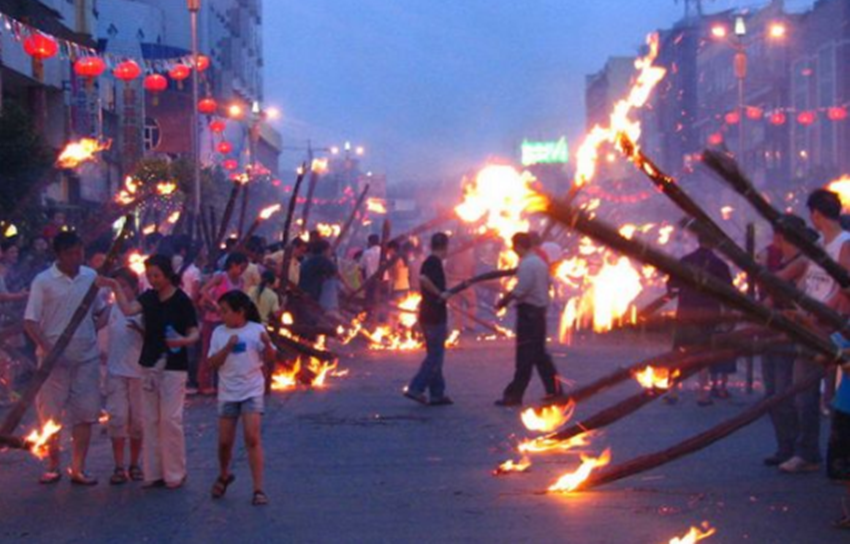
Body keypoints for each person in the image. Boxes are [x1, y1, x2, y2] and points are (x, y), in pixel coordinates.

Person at [99, 255, 199, 489]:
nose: (154, 281)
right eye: (150, 276)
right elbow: (128, 309)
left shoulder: (181, 300)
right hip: (149, 364)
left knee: (170, 419)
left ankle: (175, 472)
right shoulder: (149, 298)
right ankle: (154, 472)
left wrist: (183, 341)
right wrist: (114, 286)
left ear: (166, 274)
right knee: (151, 419)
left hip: (174, 366)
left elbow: (194, 331)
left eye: (157, 276)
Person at [24, 231, 106, 485]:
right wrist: (50, 351)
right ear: (58, 255)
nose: (76, 257)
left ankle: (78, 468)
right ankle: (52, 465)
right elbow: (30, 322)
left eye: (79, 252)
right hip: (52, 363)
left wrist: (94, 333)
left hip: (86, 359)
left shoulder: (91, 277)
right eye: (71, 253)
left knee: (84, 414)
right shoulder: (43, 281)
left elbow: (101, 312)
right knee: (51, 415)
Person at [780, 189, 850, 474]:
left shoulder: (845, 244)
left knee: (833, 396)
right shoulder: (821, 243)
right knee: (804, 393)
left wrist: (821, 316)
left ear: (816, 214)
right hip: (810, 324)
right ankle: (808, 451)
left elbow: (845, 289)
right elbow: (803, 274)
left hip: (831, 328)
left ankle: (824, 454)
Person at [207, 290, 274, 505]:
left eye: (225, 311)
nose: (222, 316)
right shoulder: (219, 333)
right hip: (227, 392)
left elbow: (271, 357)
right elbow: (212, 363)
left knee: (252, 438)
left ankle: (258, 488)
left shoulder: (256, 330)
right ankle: (224, 474)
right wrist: (228, 347)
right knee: (225, 441)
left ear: (240, 312)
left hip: (251, 390)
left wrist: (267, 343)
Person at [761, 215, 815, 466]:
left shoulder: (802, 261)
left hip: (791, 334)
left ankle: (798, 448)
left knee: (786, 393)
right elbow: (770, 297)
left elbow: (776, 283)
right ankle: (784, 446)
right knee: (773, 393)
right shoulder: (777, 258)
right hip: (771, 333)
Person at [667, 230, 735, 405]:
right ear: (714, 243)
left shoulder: (686, 261)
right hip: (707, 314)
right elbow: (728, 293)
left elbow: (672, 286)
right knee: (703, 353)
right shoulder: (720, 265)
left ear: (699, 240)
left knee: (678, 352)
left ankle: (672, 392)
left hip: (685, 312)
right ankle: (702, 395)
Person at [495, 232, 562, 406]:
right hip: (539, 313)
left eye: (514, 246)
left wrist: (504, 300)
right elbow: (547, 284)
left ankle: (514, 395)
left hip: (528, 314)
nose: (513, 250)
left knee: (524, 355)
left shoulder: (527, 264)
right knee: (540, 355)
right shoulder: (540, 263)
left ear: (518, 246)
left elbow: (521, 290)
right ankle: (555, 390)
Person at [103, 268, 145, 485]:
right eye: (116, 286)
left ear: (134, 287)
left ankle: (135, 463)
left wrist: (141, 331)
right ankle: (119, 465)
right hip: (115, 371)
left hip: (138, 373)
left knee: (137, 421)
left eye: (124, 286)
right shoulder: (112, 310)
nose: (119, 291)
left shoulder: (141, 309)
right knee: (118, 418)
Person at [404, 232, 454, 406]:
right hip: (433, 316)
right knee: (435, 357)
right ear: (445, 246)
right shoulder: (433, 262)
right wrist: (440, 293)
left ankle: (437, 394)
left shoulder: (432, 262)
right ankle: (416, 388)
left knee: (435, 355)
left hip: (430, 314)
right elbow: (423, 279)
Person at [198, 252, 249, 395]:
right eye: (241, 267)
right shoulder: (221, 277)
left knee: (230, 353)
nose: (242, 271)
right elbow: (203, 290)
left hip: (230, 323)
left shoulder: (241, 282)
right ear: (233, 265)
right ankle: (205, 384)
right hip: (213, 320)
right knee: (209, 351)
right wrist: (216, 305)